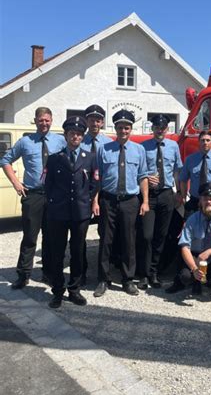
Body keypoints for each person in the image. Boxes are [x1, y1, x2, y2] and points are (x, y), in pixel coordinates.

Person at [0, 106, 66, 289]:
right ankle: (23, 275)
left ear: (51, 120)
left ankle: (48, 273)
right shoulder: (25, 141)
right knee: (30, 236)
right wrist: (16, 183)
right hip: (33, 195)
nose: (44, 123)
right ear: (35, 121)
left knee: (50, 237)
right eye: (40, 120)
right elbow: (5, 160)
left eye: (47, 120)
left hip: (53, 196)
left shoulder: (60, 141)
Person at [93, 109, 149, 297]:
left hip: (130, 201)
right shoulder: (104, 149)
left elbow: (143, 177)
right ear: (115, 128)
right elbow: (97, 178)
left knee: (129, 241)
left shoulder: (139, 150)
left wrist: (145, 201)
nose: (123, 131)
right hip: (108, 200)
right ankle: (103, 279)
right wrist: (95, 201)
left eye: (126, 127)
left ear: (130, 129)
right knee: (106, 241)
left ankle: (127, 279)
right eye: (120, 127)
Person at [44, 117, 99, 308]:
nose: (75, 136)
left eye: (78, 134)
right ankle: (57, 291)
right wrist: (54, 204)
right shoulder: (54, 158)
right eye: (71, 133)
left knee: (77, 251)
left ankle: (74, 290)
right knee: (57, 252)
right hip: (58, 213)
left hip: (80, 213)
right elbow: (48, 185)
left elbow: (94, 183)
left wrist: (87, 201)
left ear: (82, 137)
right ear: (66, 135)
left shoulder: (90, 158)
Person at [137, 114, 183, 289]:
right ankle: (143, 274)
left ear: (167, 129)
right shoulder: (143, 147)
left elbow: (178, 171)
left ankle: (153, 273)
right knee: (146, 236)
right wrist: (147, 177)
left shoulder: (173, 146)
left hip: (166, 194)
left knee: (161, 236)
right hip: (149, 196)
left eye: (163, 128)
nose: (160, 130)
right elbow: (138, 172)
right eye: (157, 127)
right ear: (152, 128)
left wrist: (179, 192)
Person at [80, 104, 113, 284]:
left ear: (102, 122)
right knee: (80, 235)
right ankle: (81, 270)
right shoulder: (78, 140)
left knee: (104, 234)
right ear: (86, 121)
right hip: (82, 195)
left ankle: (104, 272)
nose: (94, 123)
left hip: (103, 194)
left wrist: (98, 198)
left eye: (98, 120)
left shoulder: (109, 143)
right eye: (91, 119)